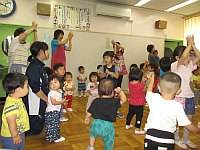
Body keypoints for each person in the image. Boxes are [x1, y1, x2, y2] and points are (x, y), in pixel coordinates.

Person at [144, 72, 200, 150]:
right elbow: (187, 124)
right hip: (167, 140)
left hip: (150, 138)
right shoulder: (177, 106)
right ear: (178, 91)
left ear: (159, 88)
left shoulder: (154, 98)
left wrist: (152, 80)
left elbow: (148, 92)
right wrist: (198, 130)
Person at [171, 35, 200, 149]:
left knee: (189, 120)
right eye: (187, 55)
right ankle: (177, 139)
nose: (189, 57)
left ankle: (185, 140)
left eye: (189, 55)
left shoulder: (189, 66)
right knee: (178, 121)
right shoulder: (175, 65)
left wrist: (192, 44)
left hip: (190, 97)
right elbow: (183, 57)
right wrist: (188, 45)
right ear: (177, 58)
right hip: (179, 97)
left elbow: (199, 56)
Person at [85, 79, 127, 150]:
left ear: (99, 91)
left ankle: (91, 146)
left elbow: (89, 111)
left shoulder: (96, 100)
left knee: (92, 134)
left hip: (96, 123)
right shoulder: (114, 102)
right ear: (113, 92)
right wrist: (120, 92)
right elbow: (124, 99)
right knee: (109, 140)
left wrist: (87, 118)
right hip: (107, 126)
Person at [23, 41, 49, 135]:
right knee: (35, 129)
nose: (48, 52)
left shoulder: (40, 66)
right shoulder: (34, 67)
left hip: (40, 101)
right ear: (41, 52)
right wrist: (46, 99)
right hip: (35, 102)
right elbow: (35, 88)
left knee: (39, 127)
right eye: (47, 50)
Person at [1, 73, 29, 149]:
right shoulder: (11, 105)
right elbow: (11, 122)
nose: (28, 88)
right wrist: (16, 136)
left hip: (19, 131)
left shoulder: (16, 99)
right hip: (11, 136)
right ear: (18, 90)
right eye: (26, 86)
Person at [99, 51, 123, 119]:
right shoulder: (102, 67)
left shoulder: (115, 67)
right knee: (104, 100)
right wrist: (105, 74)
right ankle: (104, 111)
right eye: (104, 58)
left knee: (114, 100)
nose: (105, 59)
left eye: (107, 58)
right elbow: (100, 76)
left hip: (113, 87)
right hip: (105, 87)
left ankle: (116, 111)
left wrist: (110, 73)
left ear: (112, 58)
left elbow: (117, 76)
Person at [45, 75, 67, 143]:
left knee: (51, 124)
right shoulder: (52, 92)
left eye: (55, 82)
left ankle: (49, 136)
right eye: (51, 83)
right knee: (54, 125)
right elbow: (53, 102)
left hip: (55, 111)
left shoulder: (59, 91)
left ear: (60, 83)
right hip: (52, 112)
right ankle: (55, 138)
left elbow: (60, 98)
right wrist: (62, 102)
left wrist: (63, 102)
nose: (53, 85)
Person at [126, 68, 146, 134]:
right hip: (139, 104)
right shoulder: (142, 85)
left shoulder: (129, 83)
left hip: (131, 103)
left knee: (130, 114)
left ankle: (127, 125)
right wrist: (144, 82)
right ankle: (137, 129)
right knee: (139, 117)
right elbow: (145, 89)